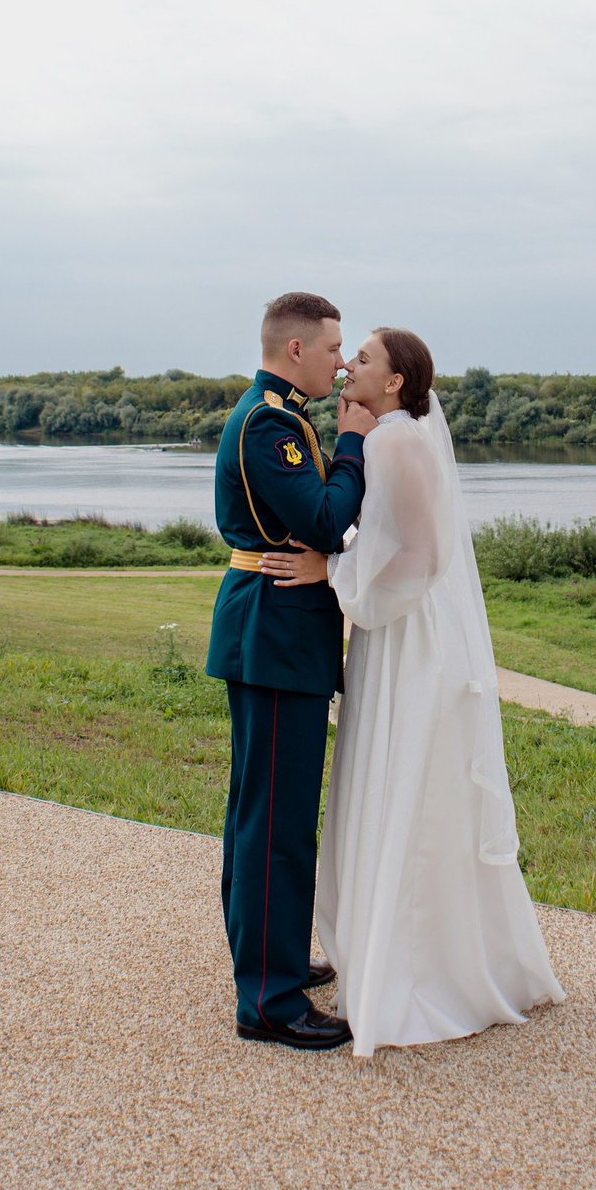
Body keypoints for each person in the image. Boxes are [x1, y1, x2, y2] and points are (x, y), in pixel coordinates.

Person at [260, 326, 565, 1058]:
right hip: (392, 627)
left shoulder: (397, 442)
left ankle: (415, 972)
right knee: (398, 779)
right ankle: (411, 955)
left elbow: (423, 555)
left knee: (403, 780)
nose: (347, 366)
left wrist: (333, 577)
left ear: (396, 382)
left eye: (362, 359)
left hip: (407, 637)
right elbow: (382, 533)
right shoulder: (391, 433)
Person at [207, 291, 377, 1050]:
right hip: (275, 632)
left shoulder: (270, 413)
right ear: (298, 349)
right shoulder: (272, 422)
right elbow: (324, 519)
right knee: (275, 824)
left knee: (261, 814)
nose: (343, 363)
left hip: (272, 629)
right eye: (335, 348)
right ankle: (269, 1003)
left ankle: (266, 960)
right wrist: (354, 444)